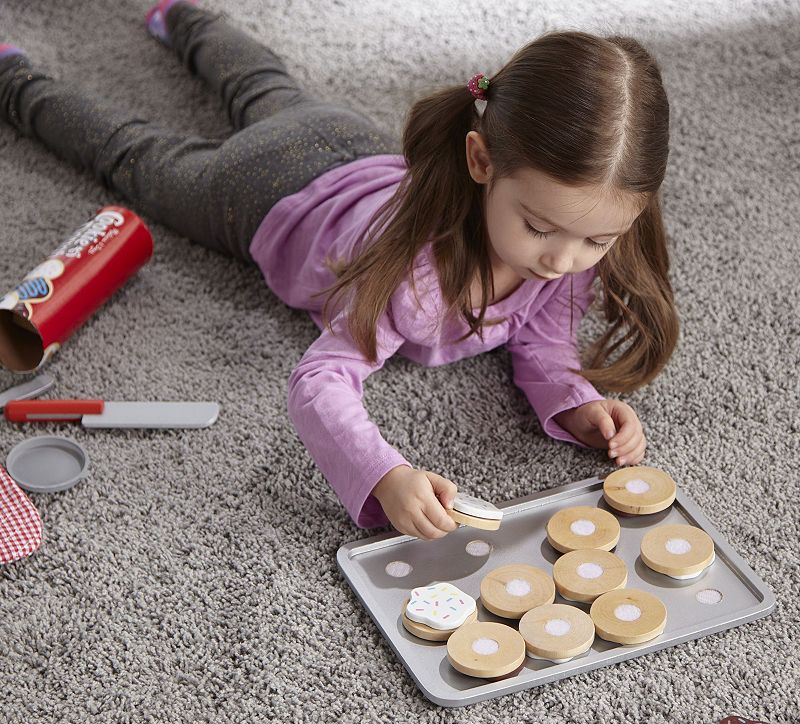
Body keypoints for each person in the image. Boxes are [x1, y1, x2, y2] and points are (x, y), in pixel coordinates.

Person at [0, 1, 678, 540]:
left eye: (595, 240)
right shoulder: (413, 278)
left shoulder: (579, 245)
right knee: (134, 156)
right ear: (480, 161)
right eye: (537, 228)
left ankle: (183, 14)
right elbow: (319, 380)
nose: (563, 261)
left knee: (265, 86)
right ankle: (16, 77)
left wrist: (574, 401)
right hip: (259, 194)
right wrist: (383, 473)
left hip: (346, 143)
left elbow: (541, 334)